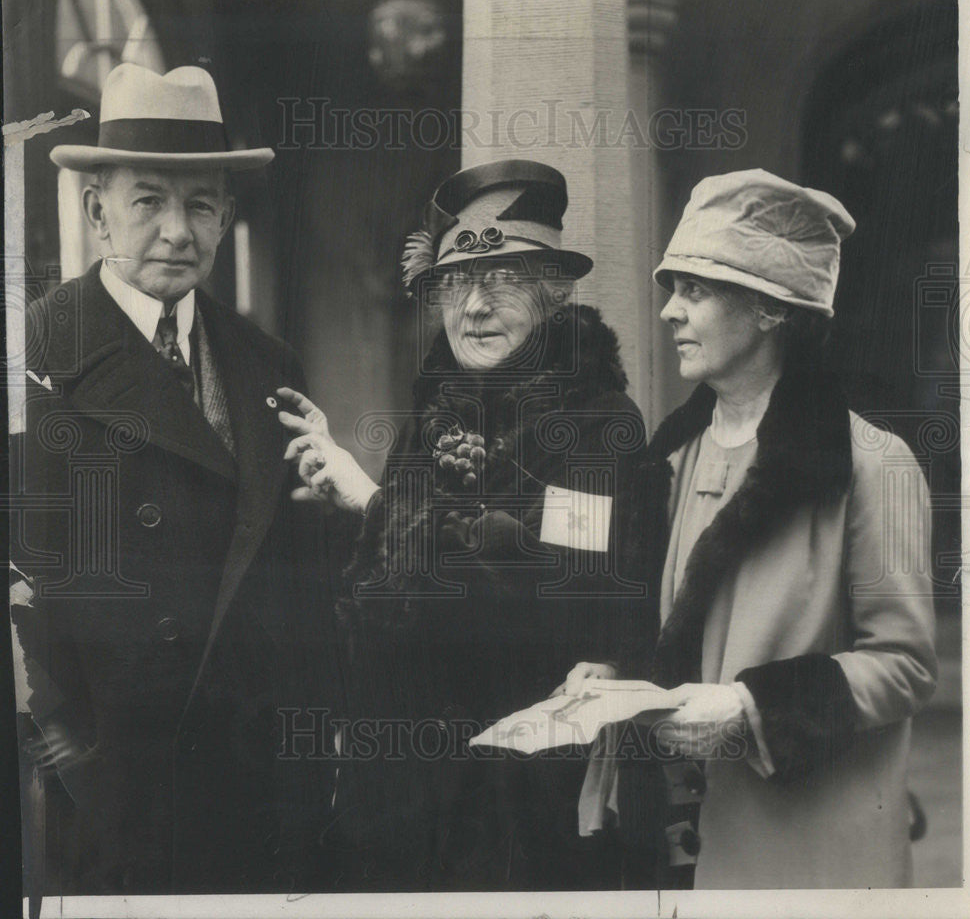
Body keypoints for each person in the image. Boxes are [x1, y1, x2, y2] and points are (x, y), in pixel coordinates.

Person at [11, 63, 340, 894]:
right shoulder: (33, 359)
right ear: (96, 211)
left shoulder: (268, 365)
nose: (176, 230)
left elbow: (297, 586)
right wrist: (70, 748)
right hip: (104, 795)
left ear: (226, 216)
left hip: (252, 792)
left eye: (199, 204)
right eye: (147, 200)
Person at [280, 159, 650, 890]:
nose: (473, 306)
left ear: (554, 290)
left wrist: (372, 502)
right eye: (455, 284)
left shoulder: (601, 422)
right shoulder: (436, 416)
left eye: (502, 280)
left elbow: (561, 576)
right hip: (407, 795)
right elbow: (380, 585)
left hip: (524, 795)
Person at [567, 168, 937, 889]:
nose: (670, 312)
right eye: (673, 289)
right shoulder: (667, 457)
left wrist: (748, 707)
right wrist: (620, 678)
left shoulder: (871, 464)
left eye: (695, 291)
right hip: (676, 847)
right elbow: (677, 635)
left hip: (807, 854)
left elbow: (907, 665)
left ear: (771, 310)